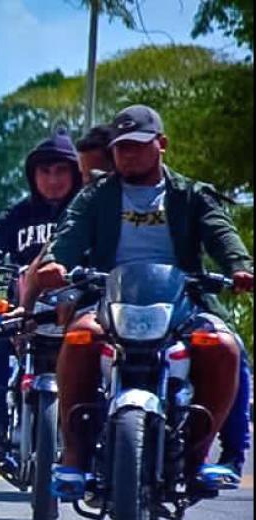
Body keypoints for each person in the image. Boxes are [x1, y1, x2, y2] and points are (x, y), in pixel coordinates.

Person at [36, 105, 254, 497]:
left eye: (138, 145)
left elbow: (222, 234)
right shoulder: (96, 196)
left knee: (224, 346)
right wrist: (55, 262)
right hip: (108, 299)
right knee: (79, 338)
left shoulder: (190, 195)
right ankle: (72, 455)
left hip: (183, 304)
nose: (128, 154)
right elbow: (69, 234)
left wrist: (239, 266)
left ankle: (203, 455)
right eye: (121, 148)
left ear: (161, 144)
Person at [0, 128, 82, 461]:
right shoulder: (20, 213)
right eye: (44, 172)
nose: (53, 179)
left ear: (75, 172)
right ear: (33, 176)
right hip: (24, 308)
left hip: (76, 307)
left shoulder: (86, 210)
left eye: (61, 170)